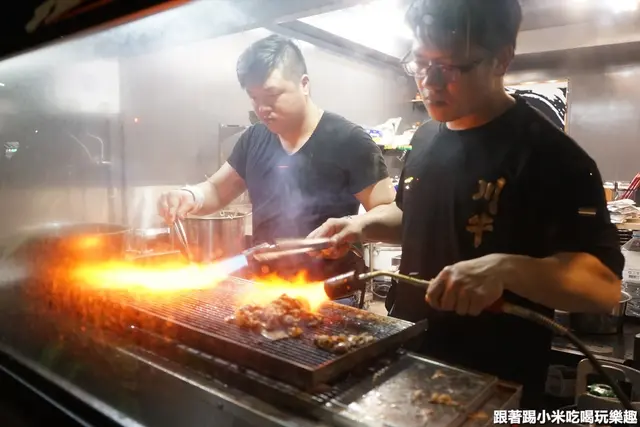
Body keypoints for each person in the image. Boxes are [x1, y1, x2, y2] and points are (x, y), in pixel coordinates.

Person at [309, 0, 623, 408]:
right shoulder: (425, 137)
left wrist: (507, 269)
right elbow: (414, 215)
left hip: (495, 383)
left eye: (451, 67)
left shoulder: (552, 156)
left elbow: (603, 287)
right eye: (420, 63)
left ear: (501, 59)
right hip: (408, 356)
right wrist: (361, 227)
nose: (430, 82)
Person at [157, 34, 395, 286]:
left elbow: (391, 212)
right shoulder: (254, 138)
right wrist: (190, 196)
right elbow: (216, 190)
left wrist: (354, 225)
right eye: (254, 98)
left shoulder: (349, 140)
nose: (262, 108)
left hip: (328, 292)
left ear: (304, 84)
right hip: (264, 289)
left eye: (272, 95)